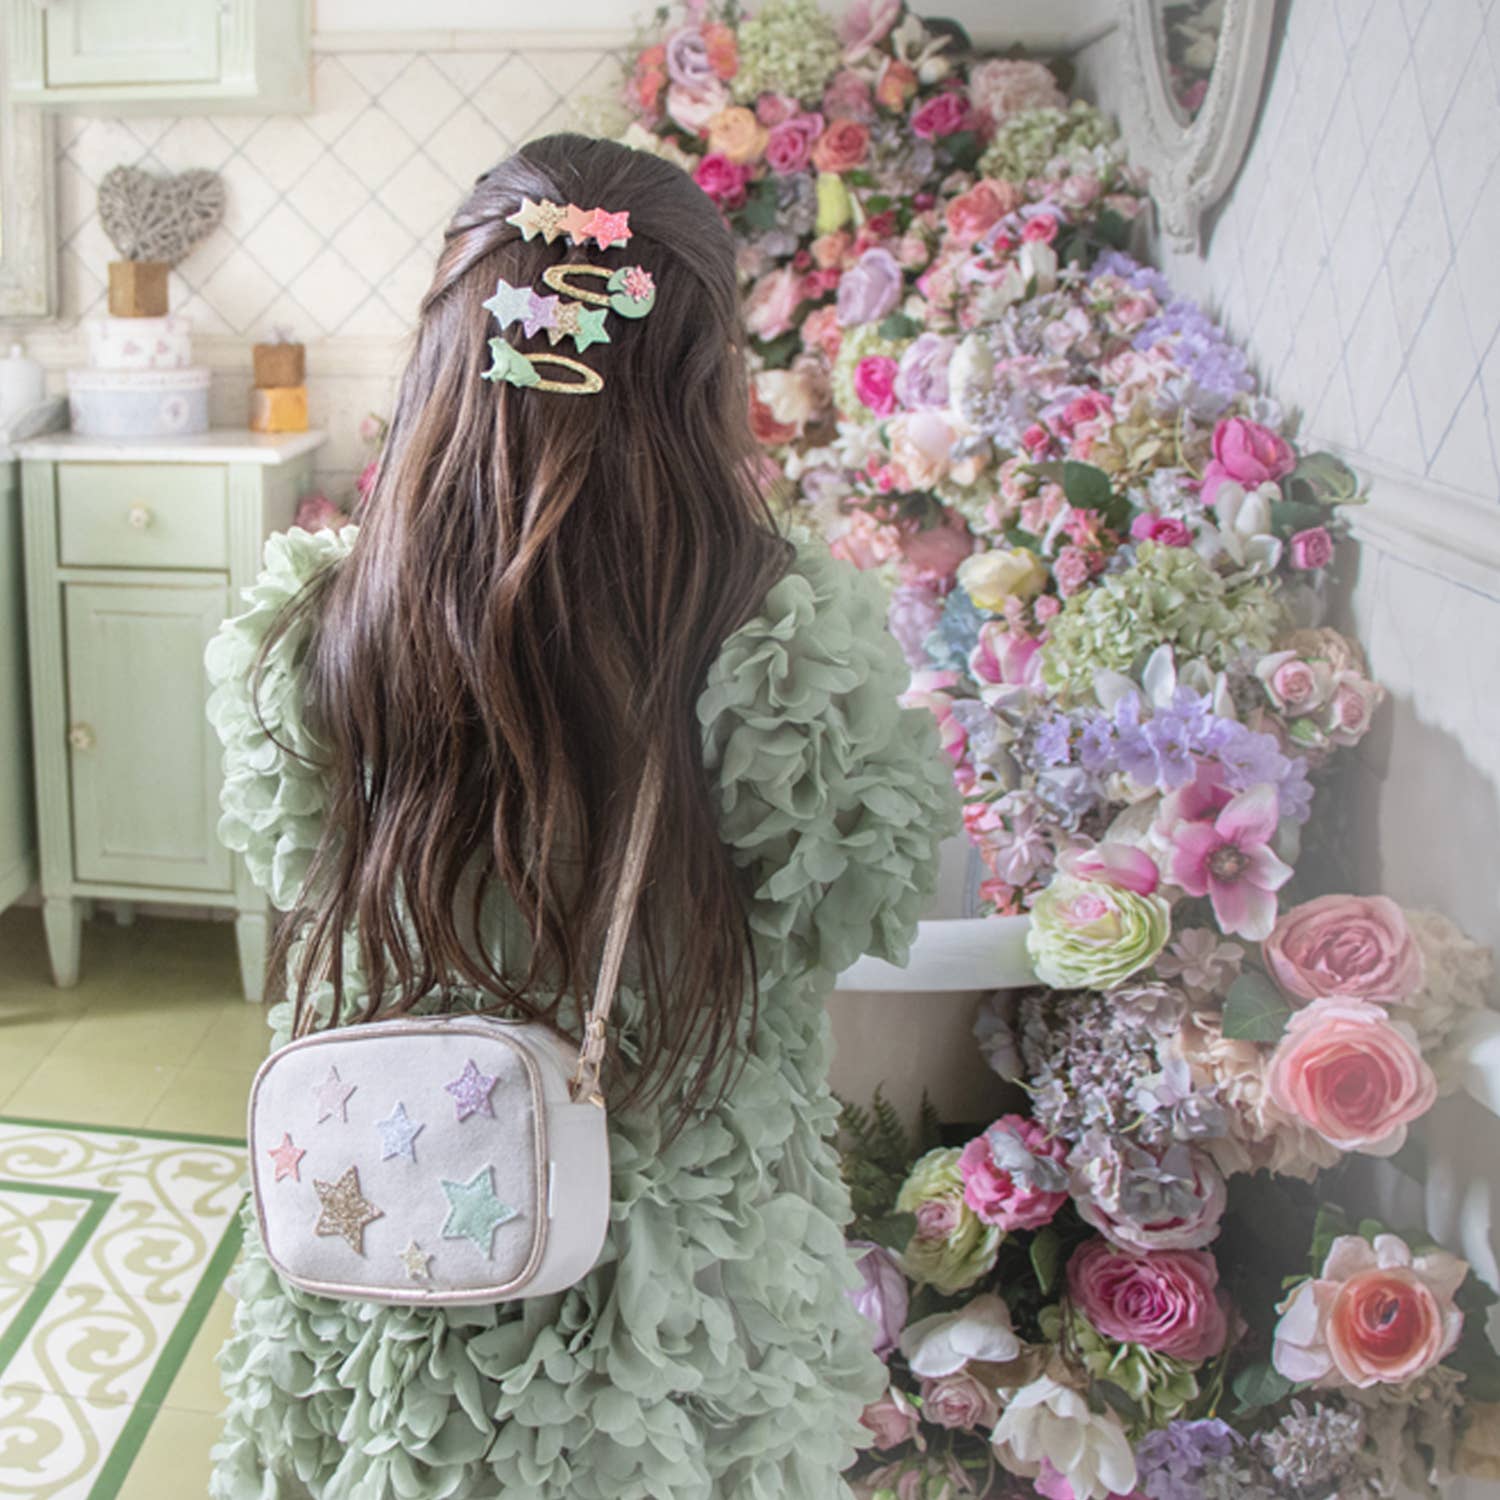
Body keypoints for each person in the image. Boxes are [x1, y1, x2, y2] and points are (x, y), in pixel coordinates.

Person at [205, 133, 958, 1500]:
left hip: (390, 1218)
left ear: (447, 351)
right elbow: (852, 901)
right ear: (706, 376)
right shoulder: (774, 634)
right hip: (666, 1273)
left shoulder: (321, 627)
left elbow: (290, 856)